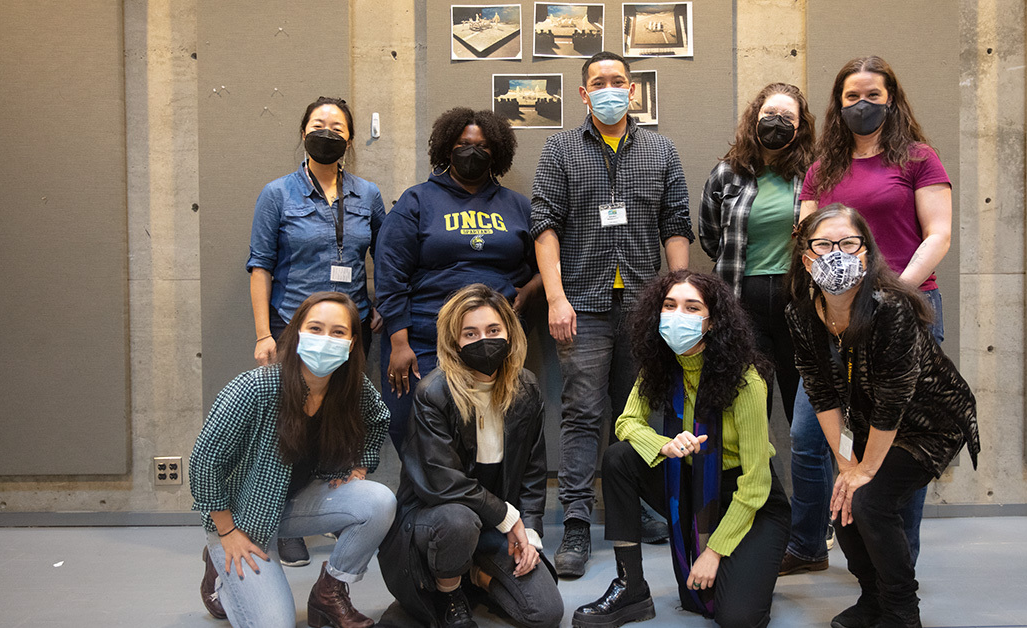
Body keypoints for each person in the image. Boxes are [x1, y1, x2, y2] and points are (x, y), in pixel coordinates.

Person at [531, 50, 693, 577]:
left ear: (632, 89)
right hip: (583, 303)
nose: (608, 89)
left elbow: (676, 224)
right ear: (583, 93)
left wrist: (679, 294)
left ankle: (637, 507)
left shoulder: (661, 151)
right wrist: (556, 297)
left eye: (617, 80)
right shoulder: (559, 151)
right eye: (597, 82)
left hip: (646, 305)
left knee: (636, 413)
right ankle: (576, 520)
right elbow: (545, 227)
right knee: (582, 412)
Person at [794, 55, 953, 568]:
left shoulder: (919, 158)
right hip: (833, 314)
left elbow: (939, 234)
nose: (861, 105)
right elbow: (807, 237)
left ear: (891, 99)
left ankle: (897, 559)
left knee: (899, 438)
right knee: (810, 432)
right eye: (851, 97)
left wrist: (891, 299)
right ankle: (812, 543)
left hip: (906, 306)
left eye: (873, 96)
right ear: (837, 105)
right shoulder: (824, 168)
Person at [787, 204, 979, 628]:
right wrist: (844, 464)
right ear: (806, 258)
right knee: (842, 500)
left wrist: (864, 470)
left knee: (869, 499)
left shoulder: (892, 307)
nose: (836, 253)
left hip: (930, 422)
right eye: (823, 244)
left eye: (848, 243)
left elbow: (894, 400)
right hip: (870, 421)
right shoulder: (800, 313)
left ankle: (901, 611)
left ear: (866, 253)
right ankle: (871, 598)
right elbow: (821, 394)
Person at [573, 270, 792, 628]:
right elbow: (626, 423)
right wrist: (666, 445)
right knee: (619, 458)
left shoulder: (746, 379)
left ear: (712, 322)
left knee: (736, 617)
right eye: (669, 305)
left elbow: (755, 483)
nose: (677, 316)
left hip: (747, 498)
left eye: (692, 308)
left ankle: (745, 558)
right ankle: (630, 585)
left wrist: (715, 552)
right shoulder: (660, 366)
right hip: (687, 482)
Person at [190, 292, 395, 628]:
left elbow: (378, 419)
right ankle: (220, 579)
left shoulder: (350, 388)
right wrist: (226, 532)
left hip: (297, 504)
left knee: (379, 501)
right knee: (274, 624)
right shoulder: (254, 387)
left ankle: (331, 590)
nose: (325, 339)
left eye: (338, 332)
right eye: (315, 328)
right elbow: (204, 461)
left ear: (352, 341)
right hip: (244, 518)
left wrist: (360, 465)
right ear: (297, 332)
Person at [247, 96, 387, 566]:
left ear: (349, 137)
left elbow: (386, 256)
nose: (327, 132)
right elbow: (260, 266)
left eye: (337, 126)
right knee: (290, 425)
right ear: (304, 132)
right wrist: (265, 333)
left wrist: (383, 305)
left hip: (352, 330)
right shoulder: (277, 193)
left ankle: (327, 509)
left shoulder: (367, 195)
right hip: (295, 328)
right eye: (317, 124)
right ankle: (283, 522)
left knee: (341, 419)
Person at [378, 285, 562, 628]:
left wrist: (531, 535)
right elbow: (442, 482)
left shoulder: (526, 388)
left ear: (510, 331)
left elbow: (534, 474)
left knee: (545, 612)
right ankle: (448, 592)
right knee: (460, 521)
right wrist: (509, 518)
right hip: (436, 521)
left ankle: (473, 577)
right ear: (454, 342)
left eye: (493, 330)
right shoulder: (433, 392)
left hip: (494, 524)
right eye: (470, 333)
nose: (484, 340)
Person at [697, 83, 823, 575]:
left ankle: (814, 528)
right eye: (769, 113)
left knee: (806, 423)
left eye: (787, 116)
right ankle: (757, 515)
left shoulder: (814, 175)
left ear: (801, 125)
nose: (777, 122)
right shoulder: (728, 172)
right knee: (746, 417)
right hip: (742, 306)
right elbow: (709, 233)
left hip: (801, 307)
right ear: (754, 119)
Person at [376, 107, 540, 452]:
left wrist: (527, 292)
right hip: (423, 336)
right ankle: (425, 503)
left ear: (496, 152)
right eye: (463, 143)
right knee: (412, 427)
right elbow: (390, 271)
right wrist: (399, 342)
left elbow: (547, 265)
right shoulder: (417, 200)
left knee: (485, 435)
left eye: (482, 146)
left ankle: (478, 503)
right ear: (446, 148)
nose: (472, 152)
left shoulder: (517, 206)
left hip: (492, 339)